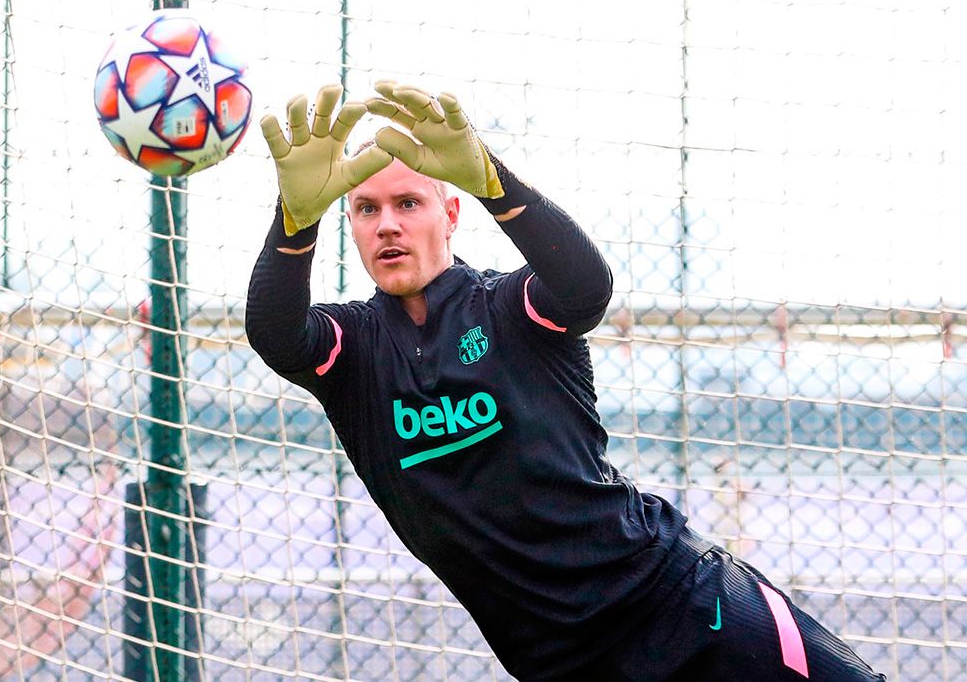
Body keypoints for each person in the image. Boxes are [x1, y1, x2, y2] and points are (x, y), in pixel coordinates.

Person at [246, 81, 885, 681]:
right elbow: (276, 337)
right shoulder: (353, 350)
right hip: (561, 666)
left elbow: (585, 289)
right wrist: (294, 222)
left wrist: (499, 182)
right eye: (365, 208)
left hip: (684, 605)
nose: (387, 223)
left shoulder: (506, 307)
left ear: (450, 213)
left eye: (408, 203)